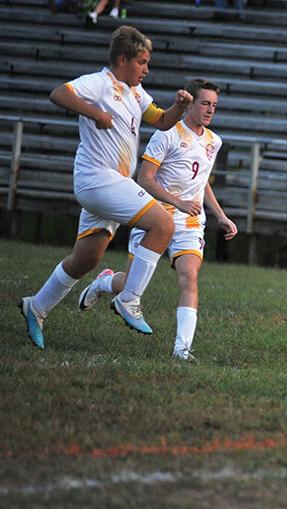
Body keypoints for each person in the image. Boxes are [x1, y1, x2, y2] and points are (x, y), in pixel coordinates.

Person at [20, 25, 192, 349]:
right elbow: (59, 93)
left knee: (86, 259)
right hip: (98, 179)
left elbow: (163, 120)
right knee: (164, 224)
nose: (146, 69)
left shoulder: (136, 93)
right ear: (123, 59)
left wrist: (180, 106)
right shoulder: (99, 83)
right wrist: (94, 112)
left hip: (112, 184)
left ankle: (36, 306)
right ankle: (129, 300)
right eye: (142, 62)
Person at [77, 79, 238, 362]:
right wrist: (176, 202)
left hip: (190, 221)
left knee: (189, 276)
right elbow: (145, 179)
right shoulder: (167, 134)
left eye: (214, 105)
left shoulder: (214, 141)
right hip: (155, 218)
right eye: (205, 103)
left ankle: (182, 350)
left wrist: (220, 215)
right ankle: (104, 283)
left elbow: (201, 183)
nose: (210, 110)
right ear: (190, 103)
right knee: (130, 284)